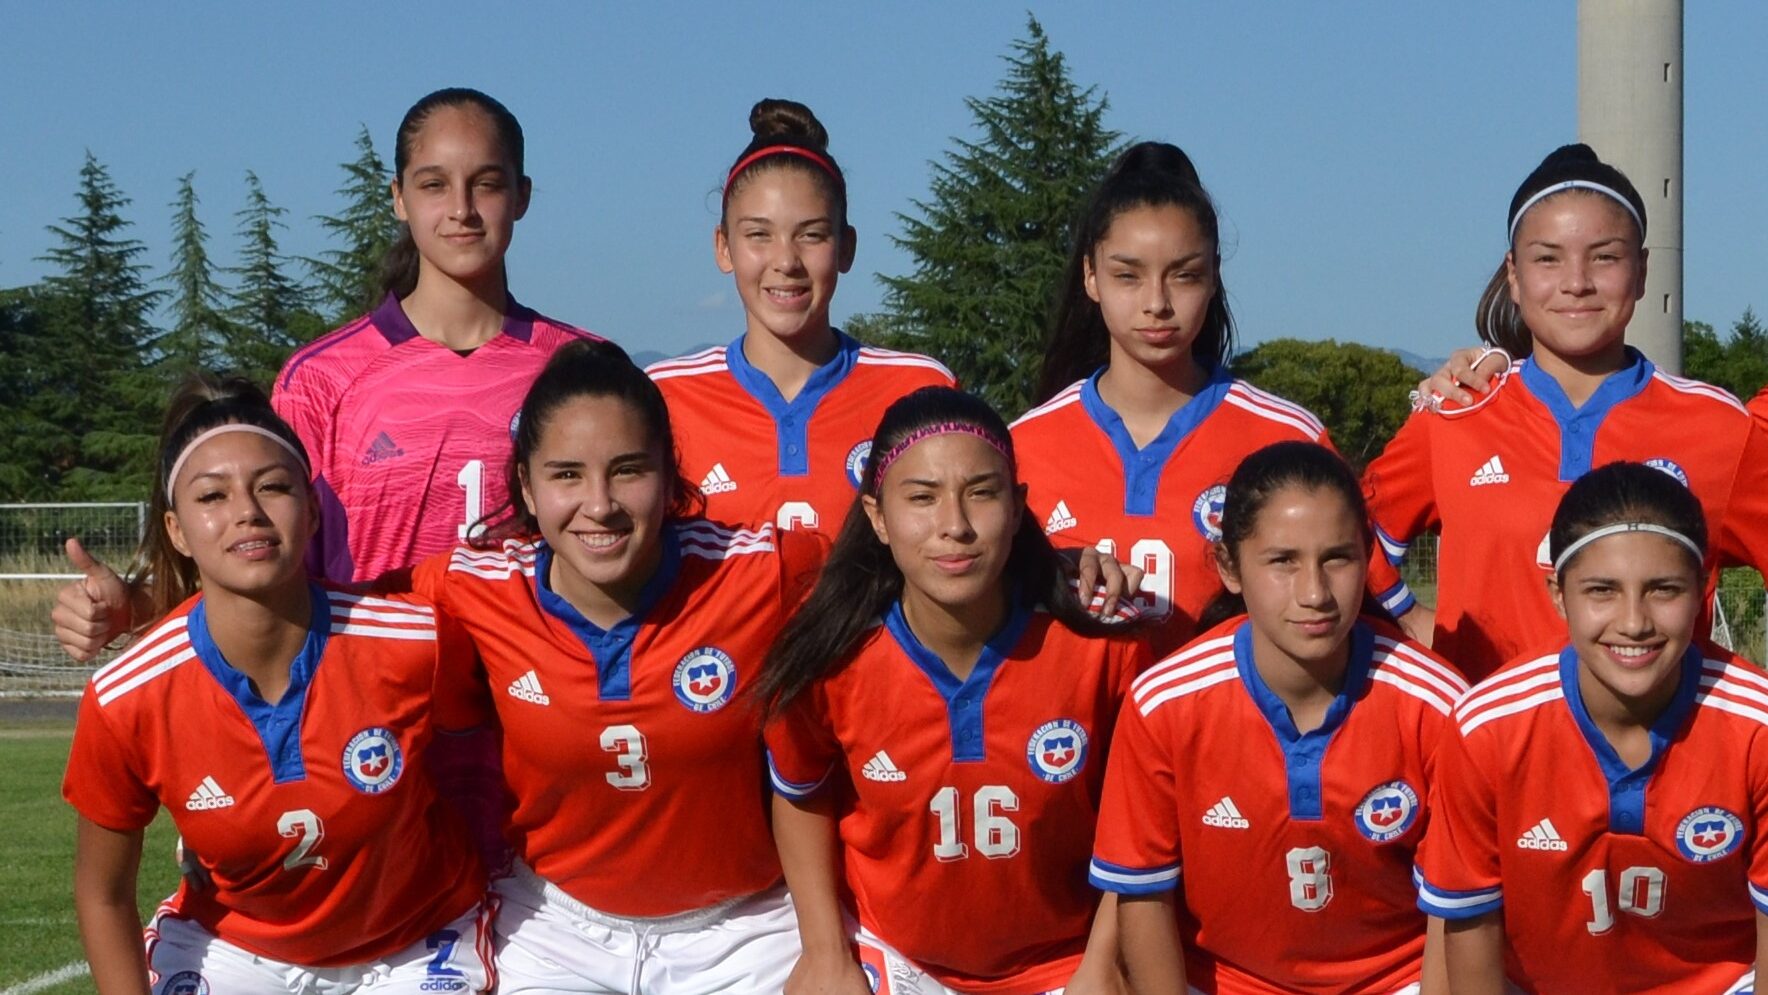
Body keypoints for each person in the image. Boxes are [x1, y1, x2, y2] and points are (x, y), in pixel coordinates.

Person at [51, 87, 598, 654]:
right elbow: (268, 560)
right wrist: (136, 607)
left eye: (486, 182)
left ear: (522, 195)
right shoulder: (322, 378)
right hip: (373, 712)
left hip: (538, 703)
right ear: (399, 198)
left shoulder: (582, 367)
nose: (461, 208)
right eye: (433, 184)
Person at [403, 338, 824, 993]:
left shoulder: (766, 569)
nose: (599, 504)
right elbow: (324, 645)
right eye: (566, 474)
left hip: (743, 933)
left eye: (628, 469)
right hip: (555, 925)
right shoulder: (468, 589)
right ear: (526, 485)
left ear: (669, 471)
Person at [63, 376, 492, 994]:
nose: (247, 511)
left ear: (313, 509)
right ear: (177, 531)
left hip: (414, 941)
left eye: (273, 486)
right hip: (235, 950)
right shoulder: (126, 695)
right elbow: (102, 894)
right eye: (212, 496)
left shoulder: (416, 641)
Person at [761, 386, 1150, 994]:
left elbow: (1142, 822)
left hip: (1064, 962)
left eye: (982, 494)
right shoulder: (832, 652)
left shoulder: (1104, 644)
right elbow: (801, 792)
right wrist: (826, 954)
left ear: (1018, 508)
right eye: (922, 498)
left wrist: (1104, 963)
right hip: (891, 954)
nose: (955, 526)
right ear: (877, 518)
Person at [1360, 144, 1768, 680]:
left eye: (1605, 256)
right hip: (1488, 756)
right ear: (1513, 274)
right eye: (1548, 258)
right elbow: (1341, 539)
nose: (1577, 281)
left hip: (1661, 757)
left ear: (1642, 271)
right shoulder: (1456, 411)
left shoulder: (1722, 430)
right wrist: (1411, 621)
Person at [1091, 441, 1464, 995]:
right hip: (1223, 981)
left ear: (1368, 557)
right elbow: (1143, 898)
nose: (1314, 593)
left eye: (1337, 557)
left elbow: (1455, 911)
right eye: (1283, 561)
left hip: (1394, 980)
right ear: (1229, 567)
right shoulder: (1163, 703)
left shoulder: (1439, 705)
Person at [1417, 462, 1766, 993]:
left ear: (1701, 589)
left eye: (1663, 590)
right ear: (1558, 593)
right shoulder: (1488, 727)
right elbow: (1468, 928)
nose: (1633, 622)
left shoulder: (1756, 728)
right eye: (1602, 590)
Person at [1013, 141, 1334, 657]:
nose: (1157, 303)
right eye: (1127, 275)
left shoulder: (1290, 438)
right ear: (1091, 277)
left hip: (1233, 737)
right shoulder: (1022, 446)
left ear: (1213, 276)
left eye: (1184, 275)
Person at [647, 98, 955, 535]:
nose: (786, 260)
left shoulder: (919, 389)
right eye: (759, 235)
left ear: (846, 247)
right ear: (723, 246)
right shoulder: (661, 398)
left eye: (811, 235)